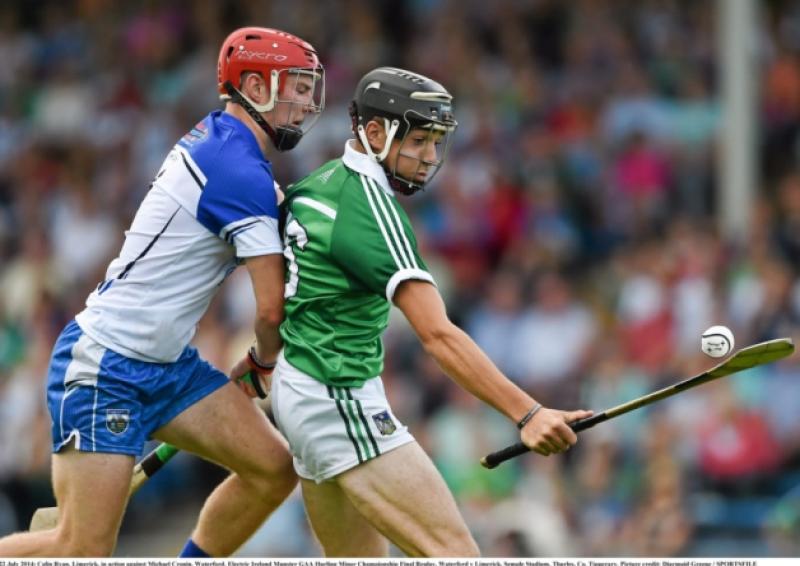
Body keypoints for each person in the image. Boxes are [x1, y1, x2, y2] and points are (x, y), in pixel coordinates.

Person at [0, 26, 324, 557]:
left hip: (169, 367)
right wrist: (264, 362)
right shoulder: (236, 169)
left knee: (272, 469)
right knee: (81, 547)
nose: (306, 101)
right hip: (107, 365)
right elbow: (270, 310)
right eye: (295, 86)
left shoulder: (226, 140)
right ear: (253, 87)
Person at [266, 67, 592, 556]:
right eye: (418, 142)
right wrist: (526, 413)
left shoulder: (316, 184)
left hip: (303, 391)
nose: (430, 158)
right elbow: (437, 334)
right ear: (374, 133)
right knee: (455, 553)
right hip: (338, 396)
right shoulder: (370, 208)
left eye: (437, 143)